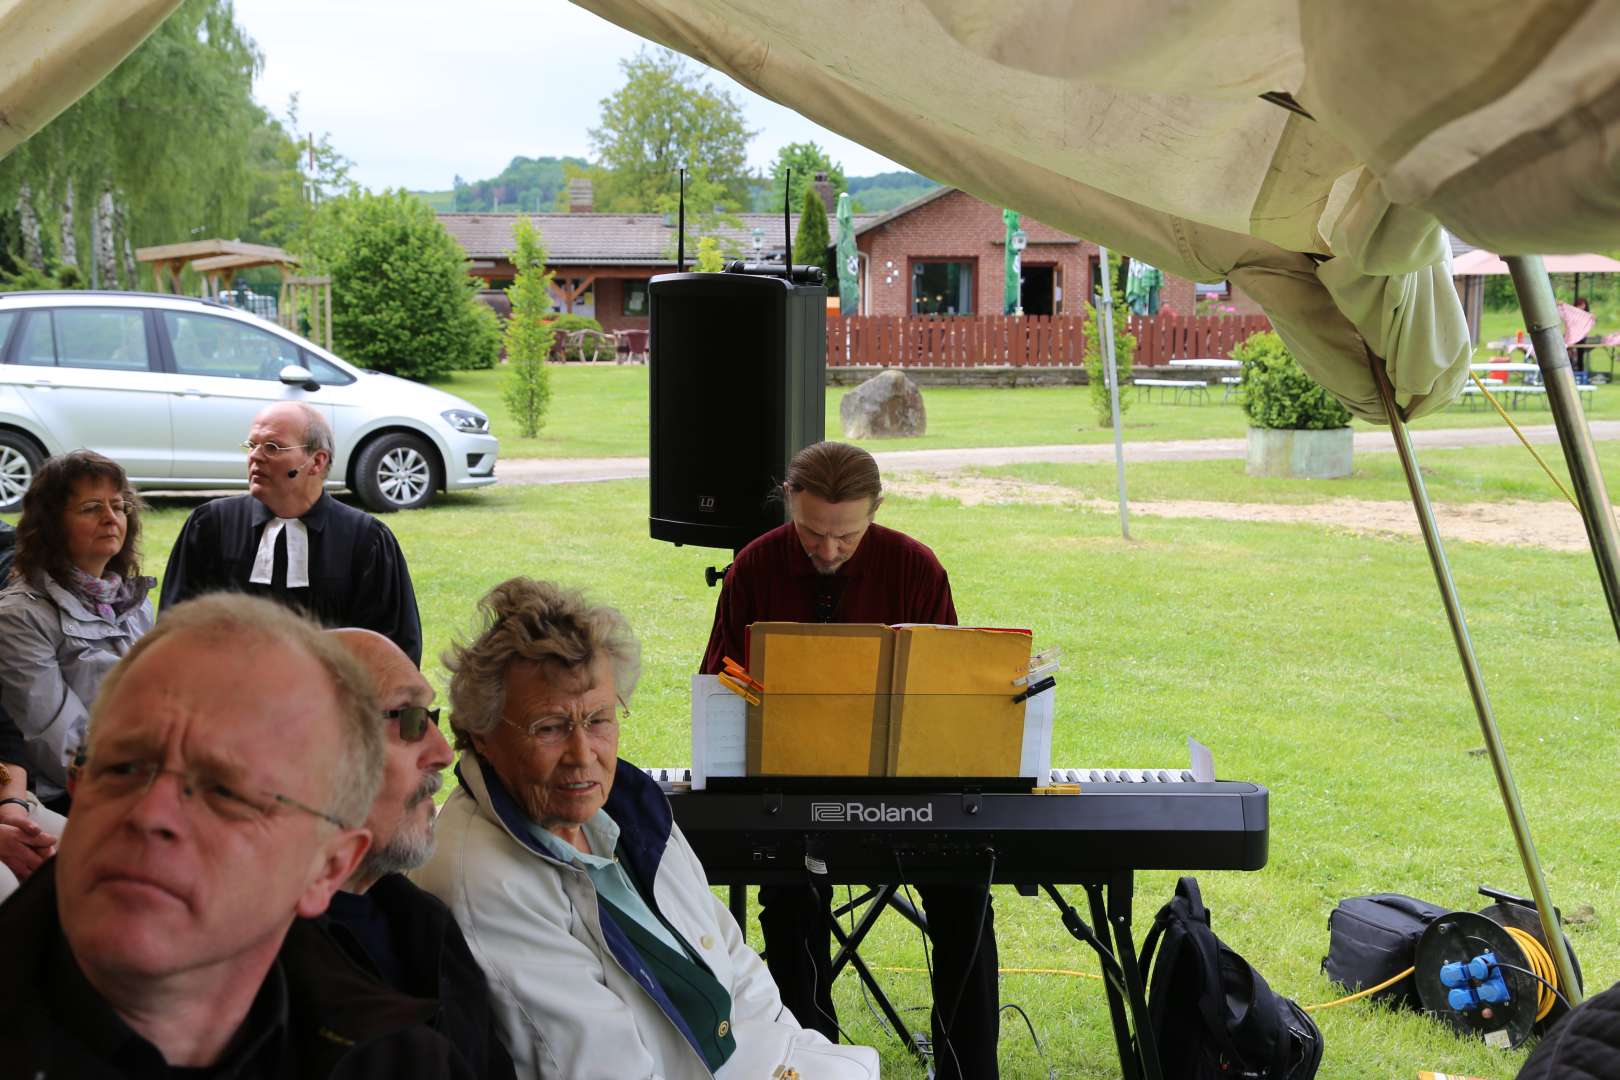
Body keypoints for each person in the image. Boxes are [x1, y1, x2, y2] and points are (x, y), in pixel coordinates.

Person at [416, 577, 879, 1079]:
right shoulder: (485, 879)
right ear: (482, 736)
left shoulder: (626, 811)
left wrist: (795, 1061)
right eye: (548, 727)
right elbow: (601, 1069)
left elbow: (734, 965)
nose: (581, 755)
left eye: (599, 720)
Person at [0, 592, 473, 1078]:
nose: (149, 813)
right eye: (122, 768)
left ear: (328, 866)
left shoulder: (398, 1061)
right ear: (78, 787)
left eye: (224, 791)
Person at [701, 440, 1001, 1080]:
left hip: (907, 783)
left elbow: (945, 689)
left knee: (965, 888)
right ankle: (812, 1064)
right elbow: (721, 679)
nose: (829, 550)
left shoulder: (916, 567)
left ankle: (967, 1071)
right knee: (788, 902)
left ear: (875, 513)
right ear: (789, 503)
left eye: (847, 536)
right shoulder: (754, 567)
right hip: (787, 782)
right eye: (811, 533)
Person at [325, 628, 516, 1080]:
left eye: (431, 717)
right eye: (409, 720)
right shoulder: (251, 972)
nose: (444, 752)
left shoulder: (423, 923)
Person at [160, 401, 423, 663]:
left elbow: (392, 651)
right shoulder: (210, 525)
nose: (256, 456)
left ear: (317, 461)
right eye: (252, 445)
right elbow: (174, 629)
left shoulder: (366, 540)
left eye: (273, 447)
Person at [0, 450, 156, 816]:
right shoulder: (20, 616)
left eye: (118, 506)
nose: (110, 518)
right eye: (91, 508)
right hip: (73, 796)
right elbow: (56, 743)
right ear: (51, 526)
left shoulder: (133, 601)